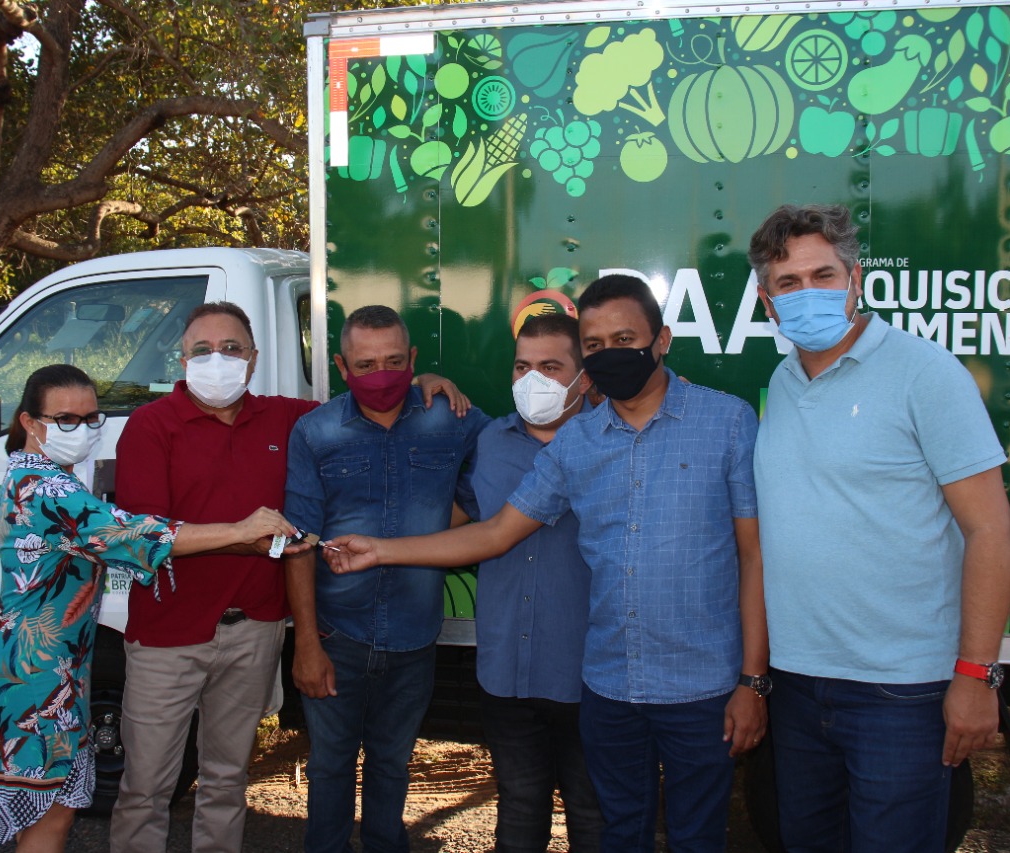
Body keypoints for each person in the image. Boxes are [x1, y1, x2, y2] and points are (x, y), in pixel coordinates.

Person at [321, 276, 769, 853]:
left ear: (662, 340)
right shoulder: (577, 443)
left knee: (694, 835)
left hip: (699, 687)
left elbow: (753, 555)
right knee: (615, 832)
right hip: (609, 688)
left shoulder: (728, 423)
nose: (611, 354)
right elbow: (495, 533)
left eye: (624, 338)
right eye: (597, 343)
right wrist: (380, 549)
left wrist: (752, 682)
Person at [111, 301, 467, 853]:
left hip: (252, 633)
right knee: (146, 788)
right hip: (168, 637)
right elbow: (140, 537)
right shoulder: (150, 426)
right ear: (180, 360)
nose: (218, 360)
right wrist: (237, 532)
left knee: (228, 781)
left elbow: (370, 397)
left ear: (252, 360)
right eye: (202, 350)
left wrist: (418, 380)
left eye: (232, 349)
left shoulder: (286, 418)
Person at [747, 204, 1010, 852]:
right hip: (798, 687)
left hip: (902, 693)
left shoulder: (926, 373)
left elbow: (991, 531)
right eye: (789, 283)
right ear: (767, 300)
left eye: (824, 274)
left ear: (855, 278)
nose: (808, 292)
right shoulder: (781, 383)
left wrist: (977, 675)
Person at [0, 364, 297, 853]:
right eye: (66, 420)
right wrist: (239, 530)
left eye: (91, 419)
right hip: (35, 678)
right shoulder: (45, 489)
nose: (81, 431)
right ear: (29, 421)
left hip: (46, 672)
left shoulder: (44, 479)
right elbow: (135, 533)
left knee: (50, 815)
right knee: (50, 819)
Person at [283, 304, 491, 853]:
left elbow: (507, 456)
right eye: (366, 364)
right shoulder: (315, 431)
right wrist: (305, 643)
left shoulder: (452, 418)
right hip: (335, 636)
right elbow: (299, 543)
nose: (382, 375)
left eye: (396, 362)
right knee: (329, 767)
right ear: (341, 364)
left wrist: (439, 526)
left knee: (393, 766)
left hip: (414, 636)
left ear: (414, 359)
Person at [461, 313, 603, 853]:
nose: (533, 379)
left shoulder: (611, 443)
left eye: (550, 366)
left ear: (583, 378)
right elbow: (464, 520)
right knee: (519, 806)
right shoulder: (490, 441)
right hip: (506, 672)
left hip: (589, 676)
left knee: (594, 812)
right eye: (523, 366)